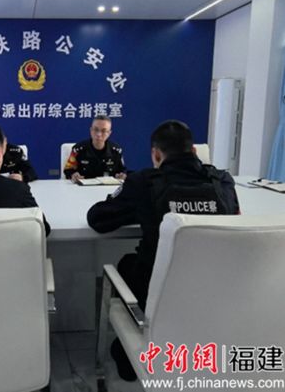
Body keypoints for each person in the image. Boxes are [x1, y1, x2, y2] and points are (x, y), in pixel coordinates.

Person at [87, 120, 240, 381]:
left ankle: (129, 351)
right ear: (194, 151)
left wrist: (136, 208)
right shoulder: (222, 181)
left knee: (126, 264)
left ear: (156, 154)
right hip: (214, 291)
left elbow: (98, 219)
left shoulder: (145, 182)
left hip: (158, 290)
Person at [64, 115, 126, 182]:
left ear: (109, 133)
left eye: (103, 131)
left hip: (107, 187)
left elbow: (122, 171)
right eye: (96, 130)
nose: (99, 134)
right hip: (83, 187)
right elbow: (68, 170)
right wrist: (73, 175)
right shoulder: (78, 149)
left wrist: (122, 175)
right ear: (91, 130)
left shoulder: (116, 151)